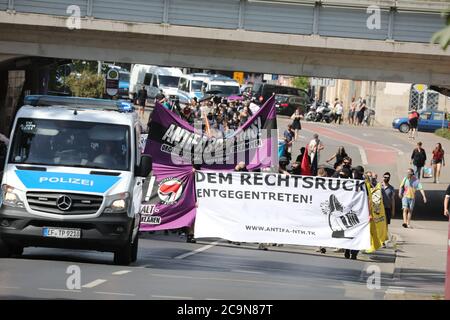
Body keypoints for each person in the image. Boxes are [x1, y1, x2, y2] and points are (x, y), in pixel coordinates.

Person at [381, 172, 395, 244]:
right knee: (380, 224)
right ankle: (379, 239)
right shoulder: (379, 186)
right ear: (382, 177)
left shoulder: (391, 188)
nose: (386, 178)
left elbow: (393, 200)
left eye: (388, 177)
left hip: (387, 209)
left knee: (385, 224)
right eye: (385, 177)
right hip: (379, 209)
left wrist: (393, 210)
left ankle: (383, 239)